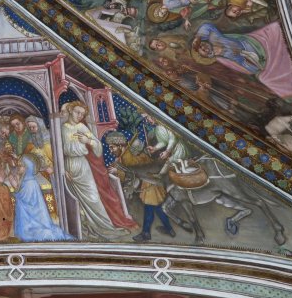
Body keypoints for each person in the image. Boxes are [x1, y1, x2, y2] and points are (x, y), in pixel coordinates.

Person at [60, 101, 137, 240]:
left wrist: (88, 141)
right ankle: (87, 227)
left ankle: (107, 228)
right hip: (68, 166)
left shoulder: (81, 127)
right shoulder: (61, 128)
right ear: (70, 110)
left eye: (82, 114)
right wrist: (62, 169)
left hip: (82, 165)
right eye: (77, 112)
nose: (79, 116)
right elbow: (57, 151)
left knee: (94, 198)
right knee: (77, 201)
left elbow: (98, 146)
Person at [105, 132, 174, 243]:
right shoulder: (125, 154)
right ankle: (169, 229)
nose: (110, 150)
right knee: (156, 207)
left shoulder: (128, 156)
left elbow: (134, 173)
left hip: (151, 182)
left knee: (149, 207)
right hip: (149, 182)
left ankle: (146, 233)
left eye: (112, 147)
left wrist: (117, 171)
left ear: (120, 145)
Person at [11, 155, 74, 242]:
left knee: (29, 234)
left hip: (31, 220)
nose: (19, 168)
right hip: (29, 216)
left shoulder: (29, 183)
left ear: (27, 167)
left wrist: (13, 182)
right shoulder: (27, 180)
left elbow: (22, 197)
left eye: (21, 166)